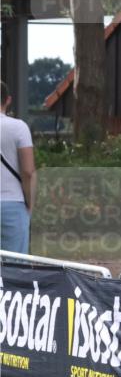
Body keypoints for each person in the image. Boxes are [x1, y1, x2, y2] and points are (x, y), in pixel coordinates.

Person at [0, 81, 36, 254]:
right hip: (13, 203)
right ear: (8, 100)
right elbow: (28, 172)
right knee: (14, 268)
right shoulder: (18, 127)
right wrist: (30, 203)